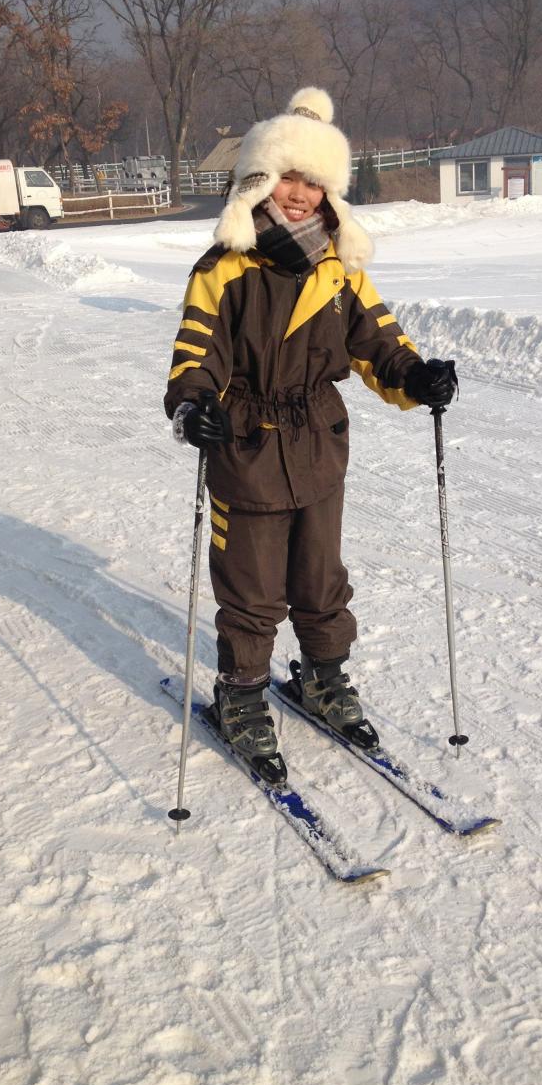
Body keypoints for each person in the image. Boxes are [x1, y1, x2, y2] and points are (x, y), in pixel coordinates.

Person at [164, 87, 457, 782]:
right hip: (247, 445)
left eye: (314, 183)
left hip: (319, 446)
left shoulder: (340, 270)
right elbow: (194, 355)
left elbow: (380, 344)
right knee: (252, 587)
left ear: (330, 194)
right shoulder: (223, 269)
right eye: (288, 178)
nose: (300, 195)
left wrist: (417, 377)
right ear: (260, 180)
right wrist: (192, 408)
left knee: (321, 580)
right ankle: (240, 696)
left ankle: (322, 678)